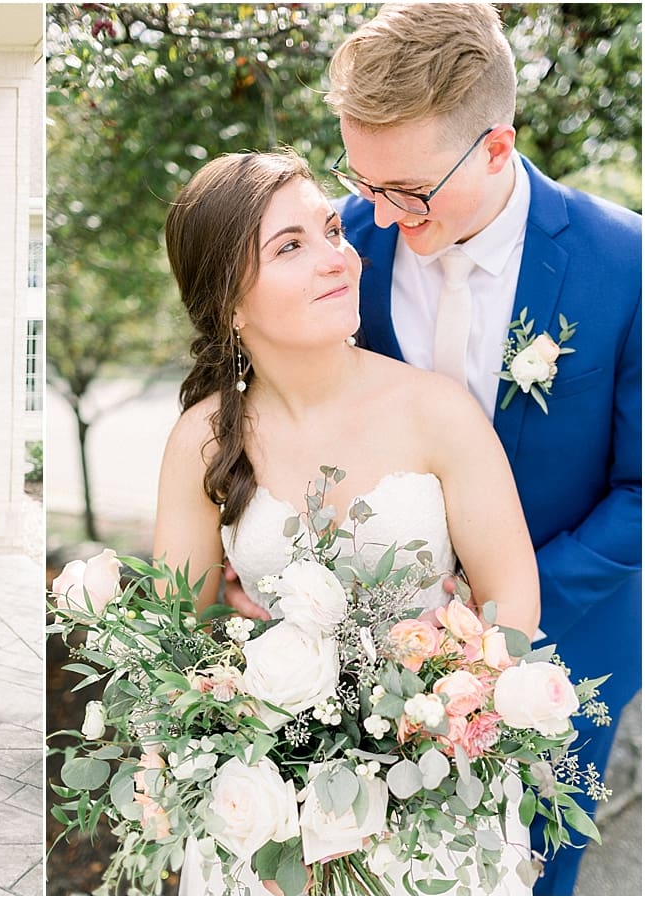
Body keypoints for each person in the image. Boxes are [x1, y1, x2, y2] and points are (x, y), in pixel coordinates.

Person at [319, 5, 641, 894]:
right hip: (371, 661)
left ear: (498, 148)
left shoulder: (627, 261)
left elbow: (641, 490)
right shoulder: (345, 248)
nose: (380, 215)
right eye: (363, 180)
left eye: (410, 191)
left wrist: (500, 612)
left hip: (564, 654)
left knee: (531, 877)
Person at [156, 149, 540, 895]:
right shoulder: (201, 441)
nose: (339, 258)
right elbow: (180, 634)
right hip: (269, 813)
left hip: (439, 799)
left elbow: (513, 599)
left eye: (332, 230)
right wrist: (262, 747)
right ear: (229, 303)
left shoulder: (436, 410)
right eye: (290, 246)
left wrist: (443, 721)